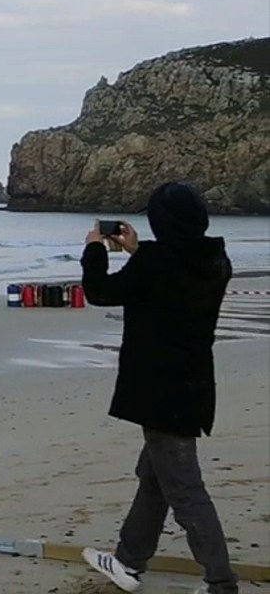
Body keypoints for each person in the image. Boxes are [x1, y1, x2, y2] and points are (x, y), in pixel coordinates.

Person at [78, 182, 238, 594]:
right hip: (194, 386)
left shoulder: (157, 264)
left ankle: (221, 583)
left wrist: (95, 248)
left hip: (161, 392)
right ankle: (128, 561)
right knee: (154, 476)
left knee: (185, 491)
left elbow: (100, 292)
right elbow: (176, 271)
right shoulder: (215, 260)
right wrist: (137, 250)